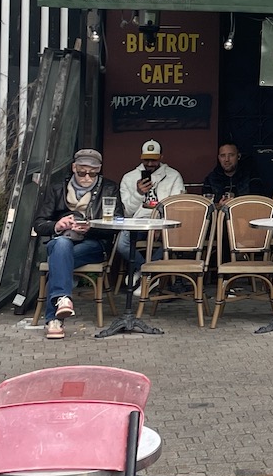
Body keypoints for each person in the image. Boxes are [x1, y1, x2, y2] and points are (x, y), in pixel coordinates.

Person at [32, 149, 124, 339]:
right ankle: (62, 302)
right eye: (82, 172)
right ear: (74, 168)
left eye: (93, 173)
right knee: (62, 245)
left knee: (59, 258)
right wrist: (57, 225)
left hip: (93, 243)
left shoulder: (110, 188)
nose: (87, 177)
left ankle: (54, 319)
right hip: (61, 241)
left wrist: (90, 227)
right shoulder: (58, 189)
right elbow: (39, 224)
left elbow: (118, 224)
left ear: (99, 171)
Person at [116, 139, 186, 288]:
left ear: (161, 157)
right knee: (122, 244)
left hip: (164, 222)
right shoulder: (129, 178)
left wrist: (159, 224)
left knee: (176, 239)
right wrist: (138, 193)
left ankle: (146, 274)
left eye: (153, 160)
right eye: (146, 160)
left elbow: (177, 207)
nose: (149, 164)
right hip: (137, 221)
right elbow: (127, 211)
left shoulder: (173, 176)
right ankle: (147, 272)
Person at [202, 143, 267, 204]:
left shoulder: (251, 177)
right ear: (219, 158)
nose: (227, 159)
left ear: (238, 156)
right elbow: (207, 206)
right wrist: (219, 207)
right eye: (223, 156)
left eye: (231, 155)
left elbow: (259, 202)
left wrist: (235, 203)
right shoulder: (211, 179)